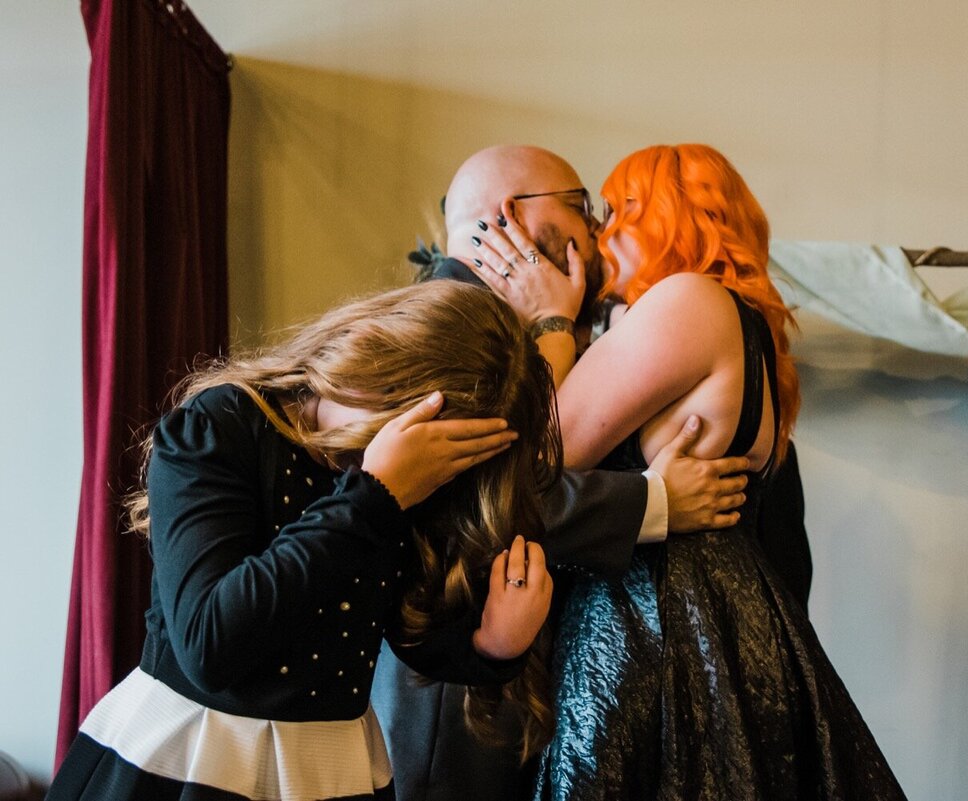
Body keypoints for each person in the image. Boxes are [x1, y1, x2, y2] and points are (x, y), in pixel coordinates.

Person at [472, 144, 907, 799]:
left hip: (656, 620)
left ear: (668, 219)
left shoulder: (686, 300)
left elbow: (542, 454)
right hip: (720, 615)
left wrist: (551, 323)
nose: (601, 233)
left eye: (618, 211)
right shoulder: (736, 317)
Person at [48, 281, 561, 801]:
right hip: (189, 758)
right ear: (373, 350)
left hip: (330, 768)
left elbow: (400, 625)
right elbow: (210, 646)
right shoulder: (222, 426)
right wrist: (375, 497)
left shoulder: (405, 482)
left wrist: (489, 646)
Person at [373, 145, 755, 801]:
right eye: (581, 208)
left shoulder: (503, 314)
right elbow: (482, 500)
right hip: (454, 694)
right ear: (510, 215)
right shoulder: (445, 319)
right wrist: (654, 502)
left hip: (513, 674)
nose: (595, 231)